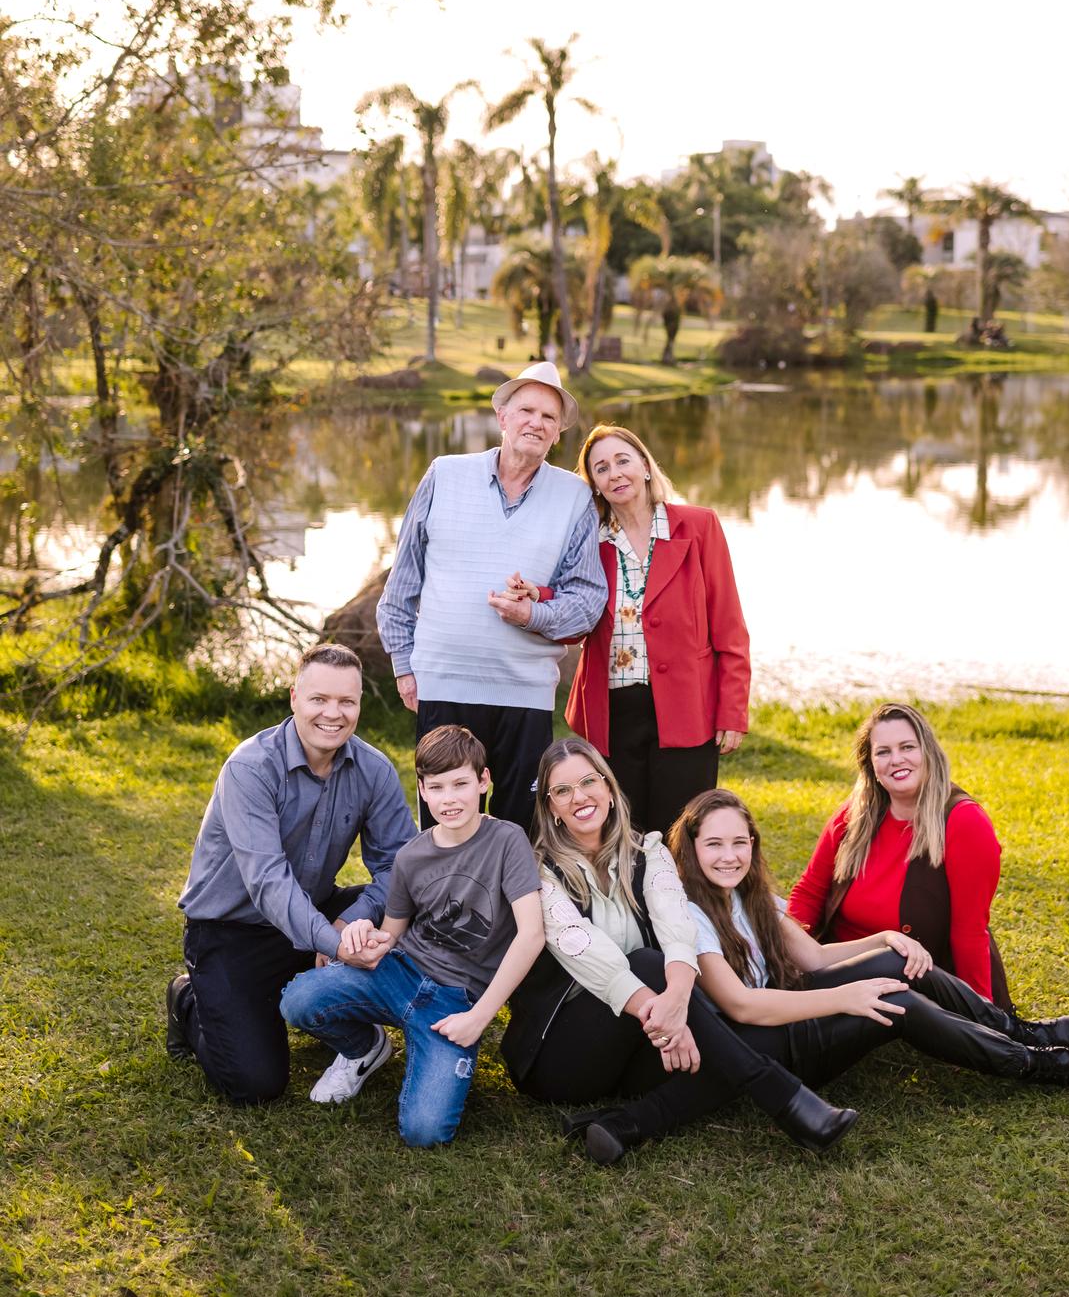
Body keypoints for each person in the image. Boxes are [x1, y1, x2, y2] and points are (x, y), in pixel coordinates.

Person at [500, 737, 857, 1166]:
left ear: (609, 790)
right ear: (551, 808)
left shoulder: (648, 851)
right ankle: (785, 1100)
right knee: (646, 965)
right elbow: (598, 961)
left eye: (589, 781)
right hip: (563, 1056)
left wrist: (677, 1004)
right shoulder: (540, 874)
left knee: (736, 1037)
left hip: (639, 1037)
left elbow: (677, 930)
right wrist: (673, 1018)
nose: (579, 797)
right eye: (562, 791)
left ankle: (620, 1122)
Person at [671, 788, 1069, 1092]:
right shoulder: (687, 915)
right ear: (690, 848)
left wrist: (885, 938)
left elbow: (812, 957)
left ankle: (1021, 1032)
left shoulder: (750, 896)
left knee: (894, 960)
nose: (729, 856)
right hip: (764, 1049)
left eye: (739, 842)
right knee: (897, 1001)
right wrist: (844, 998)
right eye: (713, 844)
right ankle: (1035, 1064)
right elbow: (742, 1008)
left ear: (753, 843)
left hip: (789, 1013)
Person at [167, 643, 417, 1105]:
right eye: (319, 699)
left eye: (347, 701)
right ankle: (187, 999)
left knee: (407, 909)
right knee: (254, 1083)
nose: (333, 714)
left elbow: (403, 866)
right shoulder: (251, 767)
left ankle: (363, 1020)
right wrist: (336, 943)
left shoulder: (373, 769)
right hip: (231, 931)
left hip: (316, 911)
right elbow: (267, 881)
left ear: (360, 703)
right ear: (294, 698)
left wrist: (352, 919)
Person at [280, 725, 545, 1146]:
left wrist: (479, 1018)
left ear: (483, 781)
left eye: (461, 783)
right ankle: (364, 1046)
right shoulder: (411, 855)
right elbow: (392, 935)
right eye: (437, 787)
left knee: (424, 1132)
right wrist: (365, 934)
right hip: (399, 973)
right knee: (297, 1001)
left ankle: (427, 1052)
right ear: (422, 790)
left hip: (454, 1001)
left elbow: (531, 935)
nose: (450, 798)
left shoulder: (507, 841)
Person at [376, 362, 607, 831]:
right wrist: (404, 665)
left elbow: (587, 600)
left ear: (558, 433)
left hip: (525, 693)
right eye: (526, 410)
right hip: (443, 686)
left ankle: (509, 907)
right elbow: (402, 584)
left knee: (519, 830)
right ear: (502, 416)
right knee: (445, 822)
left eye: (549, 417)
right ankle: (442, 906)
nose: (536, 423)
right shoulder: (444, 475)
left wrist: (531, 615)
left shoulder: (575, 496)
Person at [557, 423, 751, 835]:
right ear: (594, 484)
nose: (615, 474)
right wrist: (534, 596)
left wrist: (732, 709)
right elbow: (569, 606)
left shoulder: (699, 527)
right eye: (602, 468)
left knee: (683, 833)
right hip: (612, 712)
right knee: (623, 833)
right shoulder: (588, 540)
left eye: (623, 461)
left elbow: (729, 626)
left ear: (645, 465)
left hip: (686, 708)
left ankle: (684, 902)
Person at [788, 702, 1012, 1004]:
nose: (896, 760)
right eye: (883, 751)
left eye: (907, 747)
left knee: (895, 958)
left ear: (928, 753)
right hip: (840, 968)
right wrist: (781, 954)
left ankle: (1021, 1036)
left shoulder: (963, 821)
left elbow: (969, 931)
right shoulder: (855, 813)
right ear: (870, 764)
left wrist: (984, 1013)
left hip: (916, 977)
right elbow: (810, 892)